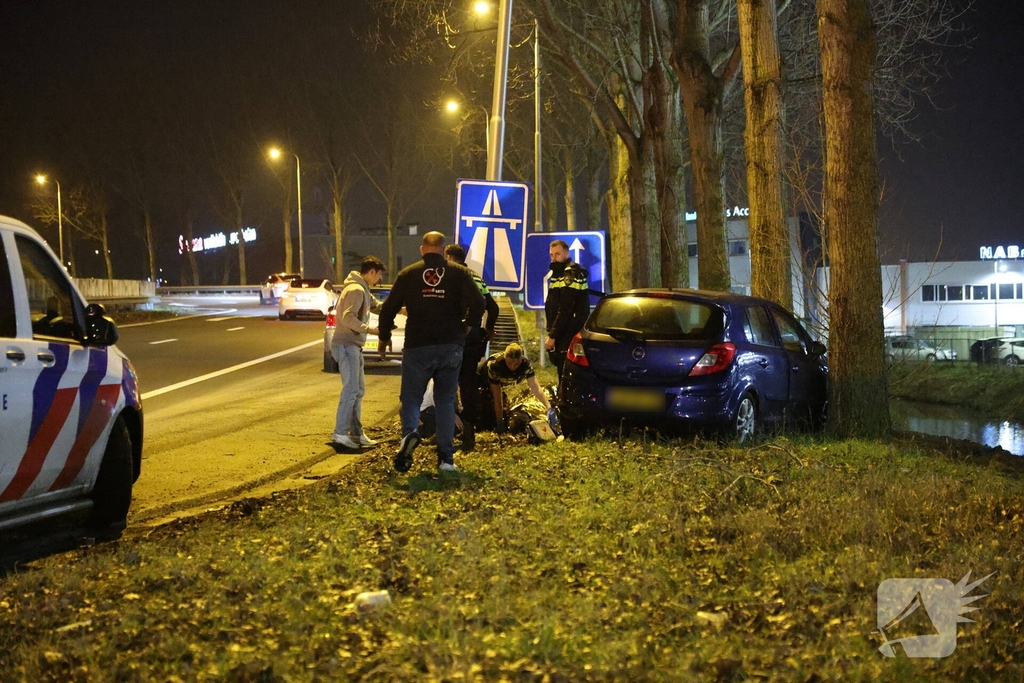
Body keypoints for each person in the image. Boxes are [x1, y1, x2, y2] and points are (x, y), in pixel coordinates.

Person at [378, 231, 485, 473]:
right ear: (443, 249)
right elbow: (479, 302)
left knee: (411, 398)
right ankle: (446, 459)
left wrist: (384, 336)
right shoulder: (460, 273)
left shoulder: (408, 274)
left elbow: (389, 308)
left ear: (422, 249)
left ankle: (409, 436)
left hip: (418, 345)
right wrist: (468, 324)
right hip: (451, 346)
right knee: (446, 401)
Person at [444, 243, 499, 452]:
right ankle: (469, 434)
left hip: (455, 335)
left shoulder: (451, 276)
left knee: (447, 382)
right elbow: (492, 308)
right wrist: (487, 331)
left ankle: (448, 431)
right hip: (475, 337)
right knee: (468, 385)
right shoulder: (476, 277)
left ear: (448, 256)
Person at [331, 256, 387, 450]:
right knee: (351, 389)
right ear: (371, 272)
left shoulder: (362, 288)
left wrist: (402, 309)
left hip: (353, 345)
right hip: (347, 344)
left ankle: (356, 433)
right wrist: (370, 330)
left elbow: (378, 306)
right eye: (379, 275)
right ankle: (340, 433)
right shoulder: (355, 289)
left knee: (358, 390)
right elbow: (347, 318)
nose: (379, 279)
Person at [476, 343, 553, 433]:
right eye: (510, 363)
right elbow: (497, 395)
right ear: (505, 359)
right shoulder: (495, 365)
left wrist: (548, 407)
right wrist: (499, 421)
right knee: (486, 413)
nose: (513, 366)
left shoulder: (525, 365)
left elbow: (535, 387)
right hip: (481, 384)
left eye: (516, 363)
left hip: (501, 384)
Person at [544, 239, 590, 379]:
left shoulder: (569, 274)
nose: (554, 258)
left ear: (566, 253)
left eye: (557, 254)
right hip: (563, 330)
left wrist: (553, 335)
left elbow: (565, 309)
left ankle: (565, 399)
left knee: (566, 372)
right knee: (561, 369)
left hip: (569, 331)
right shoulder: (559, 272)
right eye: (551, 255)